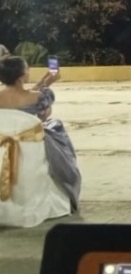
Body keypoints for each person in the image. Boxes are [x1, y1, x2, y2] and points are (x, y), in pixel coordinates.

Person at [0, 56, 81, 211]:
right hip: (30, 146)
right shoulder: (38, 97)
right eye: (27, 68)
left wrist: (43, 82)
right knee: (57, 131)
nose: (28, 71)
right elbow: (42, 116)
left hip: (2, 144)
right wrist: (47, 84)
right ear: (21, 76)